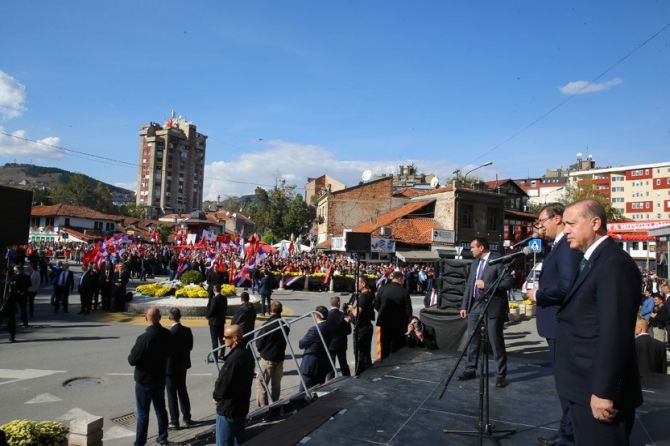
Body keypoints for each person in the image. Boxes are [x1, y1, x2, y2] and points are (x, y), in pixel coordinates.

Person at [557, 199, 642, 444]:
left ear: (595, 223)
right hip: (582, 386)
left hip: (599, 393)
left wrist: (603, 391)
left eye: (571, 224)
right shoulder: (592, 260)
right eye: (564, 224)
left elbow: (615, 333)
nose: (565, 231)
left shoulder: (614, 264)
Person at [526, 202, 582, 446]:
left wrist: (539, 294)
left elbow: (566, 285)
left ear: (557, 219)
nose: (540, 226)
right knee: (563, 382)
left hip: (561, 324)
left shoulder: (566, 248)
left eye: (542, 221)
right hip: (555, 325)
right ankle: (567, 431)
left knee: (566, 384)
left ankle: (569, 436)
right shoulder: (556, 247)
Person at [459, 237, 514, 388]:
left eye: (472, 247)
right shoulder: (475, 263)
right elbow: (470, 286)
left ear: (481, 247)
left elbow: (508, 282)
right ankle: (471, 368)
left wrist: (486, 285)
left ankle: (500, 375)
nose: (470, 250)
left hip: (493, 305)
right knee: (472, 338)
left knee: (495, 340)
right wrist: (464, 306)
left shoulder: (497, 261)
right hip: (476, 305)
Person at [127, 306, 173, 446]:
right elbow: (171, 353)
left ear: (146, 319)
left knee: (143, 414)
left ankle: (140, 442)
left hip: (144, 380)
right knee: (160, 409)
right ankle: (163, 436)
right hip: (159, 378)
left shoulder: (144, 338)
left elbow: (132, 360)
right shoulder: (167, 334)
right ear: (160, 318)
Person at [212, 324, 255, 446]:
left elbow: (224, 382)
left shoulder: (234, 359)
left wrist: (216, 397)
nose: (223, 339)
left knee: (224, 442)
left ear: (235, 338)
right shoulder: (246, 354)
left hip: (228, 408)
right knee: (238, 439)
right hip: (241, 406)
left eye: (226, 337)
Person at [255, 300, 290, 407]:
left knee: (261, 384)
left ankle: (263, 408)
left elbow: (259, 342)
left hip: (267, 358)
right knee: (276, 385)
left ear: (270, 310)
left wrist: (262, 351)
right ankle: (274, 405)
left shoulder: (268, 325)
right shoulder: (284, 324)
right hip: (279, 358)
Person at [375, 271, 412, 360]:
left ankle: (383, 366)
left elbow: (376, 305)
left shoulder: (382, 289)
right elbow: (408, 311)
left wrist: (383, 312)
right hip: (399, 324)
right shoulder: (404, 291)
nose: (404, 281)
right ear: (399, 278)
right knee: (397, 350)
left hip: (384, 323)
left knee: (384, 348)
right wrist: (408, 320)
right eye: (403, 279)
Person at [166, 308, 194, 430]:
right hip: (183, 365)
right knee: (182, 390)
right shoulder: (187, 330)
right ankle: (187, 417)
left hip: (170, 368)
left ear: (169, 318)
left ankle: (174, 421)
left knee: (172, 394)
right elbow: (190, 347)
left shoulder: (169, 333)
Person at [298, 306, 332, 390]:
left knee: (303, 391)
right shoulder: (329, 327)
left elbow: (301, 344)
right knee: (317, 390)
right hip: (322, 363)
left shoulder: (314, 329)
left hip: (311, 365)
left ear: (317, 316)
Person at [348, 276, 376, 376]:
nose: (356, 285)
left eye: (357, 283)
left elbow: (357, 312)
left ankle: (360, 371)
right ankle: (367, 370)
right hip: (367, 326)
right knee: (366, 351)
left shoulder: (364, 296)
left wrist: (351, 308)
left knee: (359, 352)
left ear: (363, 284)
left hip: (362, 328)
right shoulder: (370, 294)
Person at [325, 295, 352, 379]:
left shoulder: (326, 315)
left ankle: (329, 382)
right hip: (341, 343)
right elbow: (348, 331)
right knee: (343, 363)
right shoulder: (343, 315)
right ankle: (347, 380)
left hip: (330, 343)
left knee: (330, 366)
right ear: (339, 303)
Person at [207, 284, 229, 361]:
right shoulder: (224, 298)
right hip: (221, 321)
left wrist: (207, 316)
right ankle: (222, 354)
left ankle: (215, 357)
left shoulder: (214, 299)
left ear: (214, 290)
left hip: (213, 322)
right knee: (222, 339)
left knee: (214, 340)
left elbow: (211, 310)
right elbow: (225, 308)